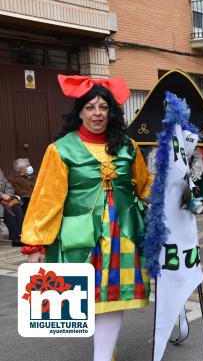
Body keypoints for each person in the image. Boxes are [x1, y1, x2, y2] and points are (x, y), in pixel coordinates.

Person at [20, 75, 152, 361]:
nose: (97, 113)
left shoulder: (128, 147)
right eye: (90, 107)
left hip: (123, 233)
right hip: (79, 237)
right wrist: (36, 245)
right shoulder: (60, 149)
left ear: (111, 112)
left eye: (103, 107)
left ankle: (102, 356)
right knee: (86, 300)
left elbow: (145, 186)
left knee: (113, 299)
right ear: (79, 112)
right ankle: (106, 349)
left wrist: (176, 191)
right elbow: (47, 199)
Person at [1, 168, 25, 246]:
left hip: (5, 200)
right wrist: (1, 195)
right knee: (7, 212)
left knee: (17, 207)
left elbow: (8, 184)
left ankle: (18, 236)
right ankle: (14, 238)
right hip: (1, 201)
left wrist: (8, 194)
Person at [189, 147, 203, 214]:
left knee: (201, 190)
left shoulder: (202, 146)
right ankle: (196, 206)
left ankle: (198, 206)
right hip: (193, 170)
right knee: (193, 190)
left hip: (199, 170)